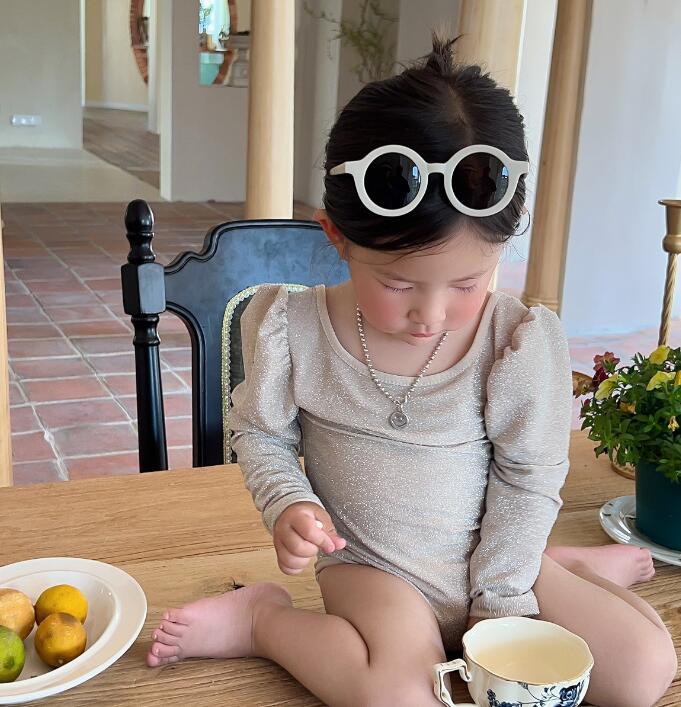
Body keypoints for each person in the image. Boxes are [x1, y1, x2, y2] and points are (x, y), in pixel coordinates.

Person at [147, 35, 676, 707]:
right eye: (397, 284)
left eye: (468, 282)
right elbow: (261, 435)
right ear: (337, 237)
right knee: (402, 698)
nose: (431, 314)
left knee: (642, 673)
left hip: (495, 556)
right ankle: (263, 620)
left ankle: (559, 564)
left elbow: (528, 477)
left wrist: (502, 601)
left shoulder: (514, 341)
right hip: (371, 565)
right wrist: (289, 503)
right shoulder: (292, 327)